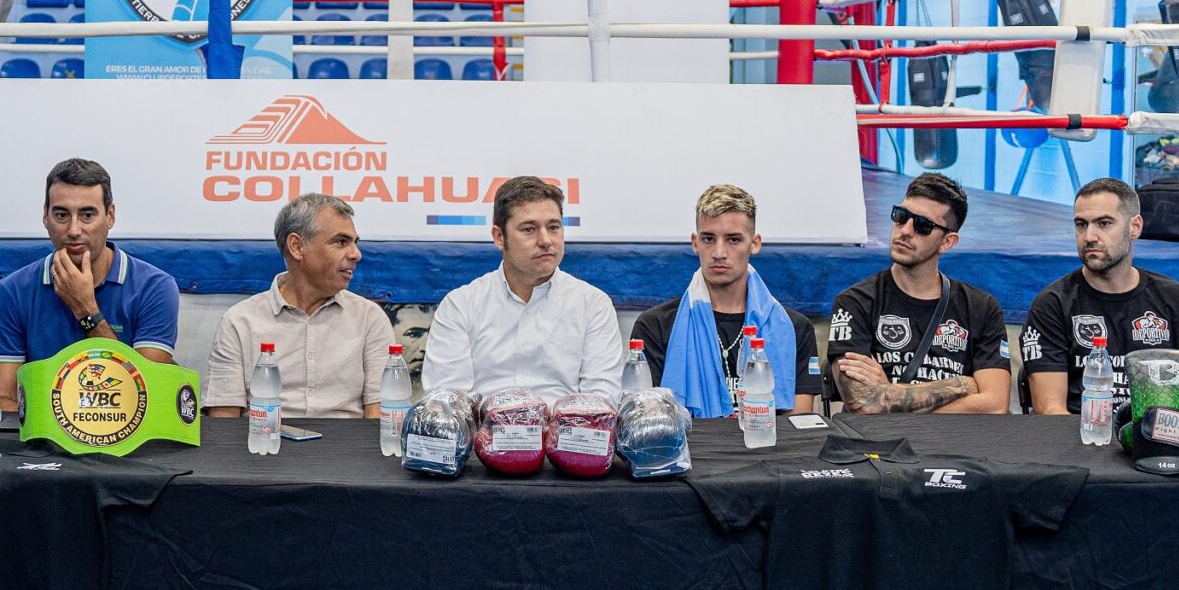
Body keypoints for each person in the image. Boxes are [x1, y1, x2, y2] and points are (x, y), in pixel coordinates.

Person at [0, 157, 180, 413]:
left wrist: (86, 310)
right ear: (45, 216)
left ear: (110, 216)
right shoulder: (14, 290)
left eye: (87, 215)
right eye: (61, 215)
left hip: (126, 441)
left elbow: (148, 396)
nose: (74, 229)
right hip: (41, 441)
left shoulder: (155, 287)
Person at [1022, 178, 1179, 416]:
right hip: (1082, 442)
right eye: (1081, 225)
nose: (1089, 236)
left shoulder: (1177, 299)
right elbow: (1050, 412)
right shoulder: (1052, 304)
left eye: (1104, 223)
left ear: (1134, 227)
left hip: (1162, 439)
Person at [821, 172, 1009, 415]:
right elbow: (863, 403)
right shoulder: (855, 302)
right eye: (901, 217)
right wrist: (962, 384)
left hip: (954, 447)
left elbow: (994, 406)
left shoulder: (981, 307)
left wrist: (889, 392)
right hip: (880, 447)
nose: (906, 230)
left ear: (947, 242)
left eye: (923, 226)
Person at [421, 175, 623, 398]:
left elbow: (601, 402)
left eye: (554, 227)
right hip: (483, 430)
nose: (546, 240)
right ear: (499, 237)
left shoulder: (593, 304)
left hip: (566, 430)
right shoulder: (460, 305)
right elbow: (447, 402)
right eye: (529, 229)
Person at [631, 183, 820, 417]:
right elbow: (650, 421)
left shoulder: (795, 327)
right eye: (708, 239)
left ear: (755, 244)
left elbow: (798, 425)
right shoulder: (655, 326)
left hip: (768, 450)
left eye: (733, 240)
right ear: (694, 242)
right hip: (692, 452)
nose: (719, 252)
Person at [201, 192, 393, 419]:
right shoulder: (240, 321)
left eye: (355, 243)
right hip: (263, 446)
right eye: (341, 242)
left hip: (349, 450)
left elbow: (381, 418)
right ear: (297, 247)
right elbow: (224, 420)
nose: (356, 254)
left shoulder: (370, 318)